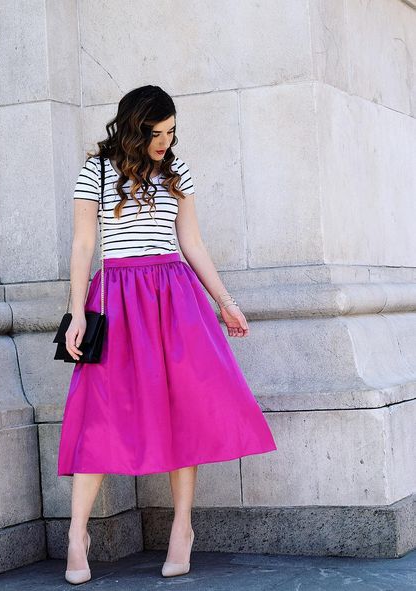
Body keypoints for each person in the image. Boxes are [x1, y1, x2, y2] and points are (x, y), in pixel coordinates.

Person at [57, 84, 277, 583]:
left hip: (174, 300)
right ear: (135, 127)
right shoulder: (95, 171)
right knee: (100, 414)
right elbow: (83, 243)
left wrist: (227, 303)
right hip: (116, 298)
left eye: (172, 132)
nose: (165, 142)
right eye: (157, 133)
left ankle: (182, 529)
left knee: (184, 409)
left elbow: (192, 242)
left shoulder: (176, 172)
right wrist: (76, 312)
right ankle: (77, 534)